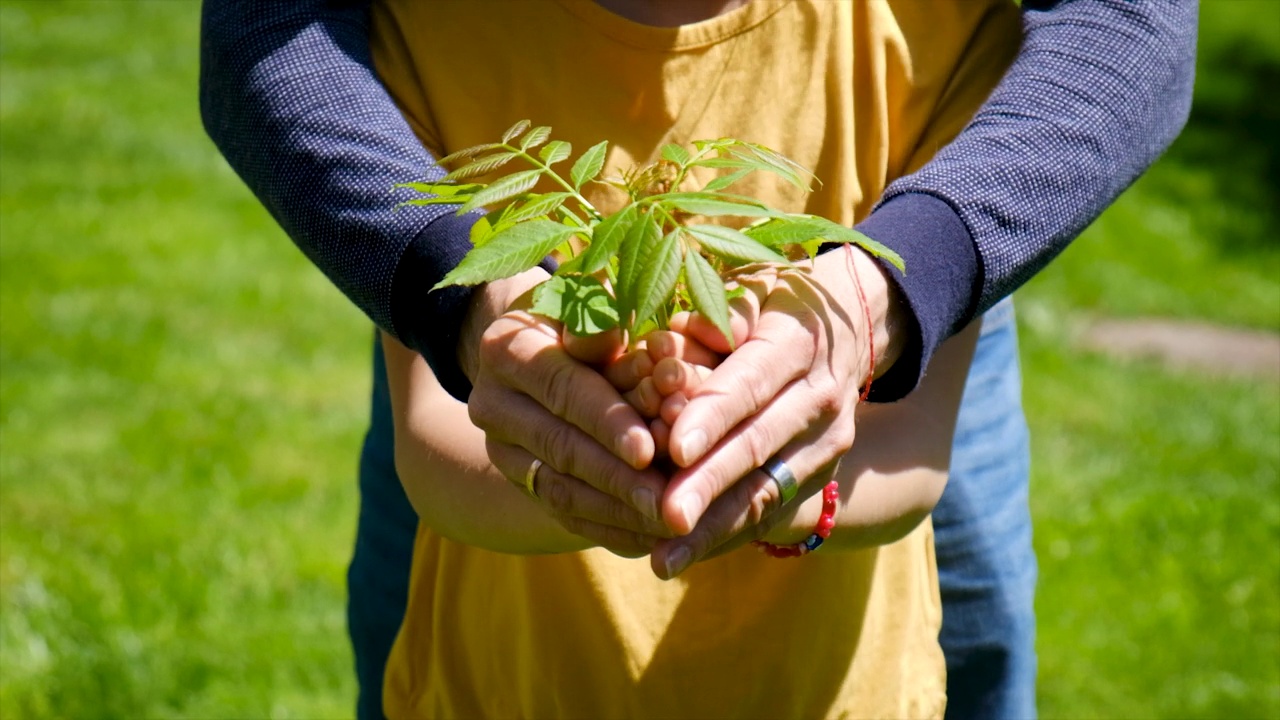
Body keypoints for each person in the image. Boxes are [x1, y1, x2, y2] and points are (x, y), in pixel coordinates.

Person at [198, 0, 1197, 718]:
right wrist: (487, 327)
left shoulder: (926, 39)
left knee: (974, 646)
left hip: (837, 650)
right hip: (508, 650)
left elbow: (907, 455)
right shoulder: (432, 37)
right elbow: (440, 447)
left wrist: (765, 445)